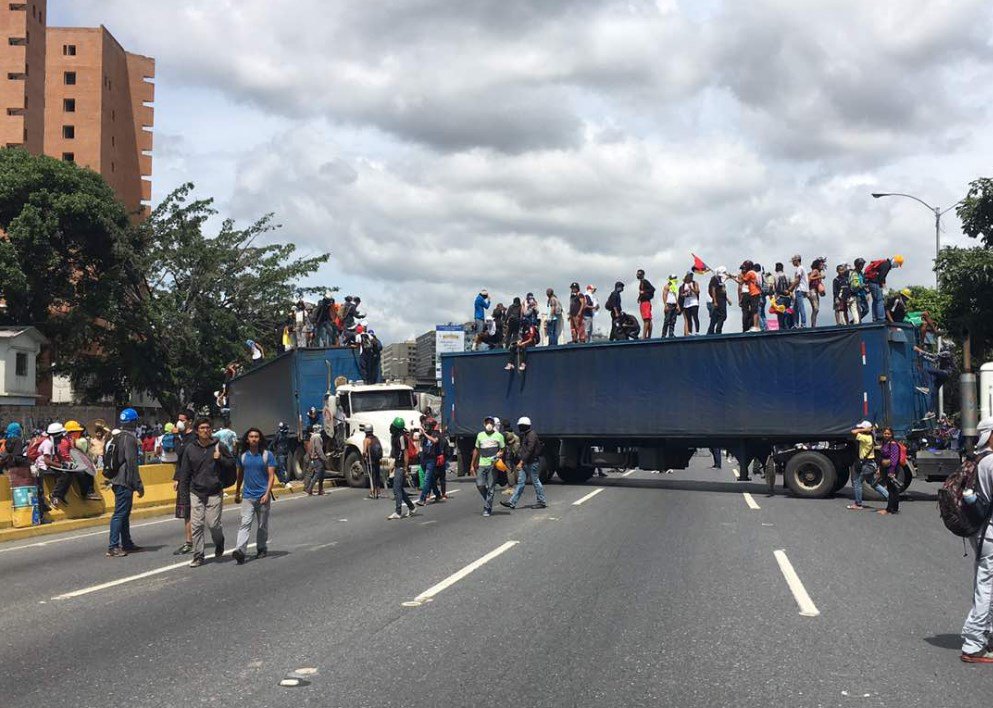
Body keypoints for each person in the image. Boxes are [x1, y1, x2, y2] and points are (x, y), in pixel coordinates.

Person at [176, 418, 234, 568]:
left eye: (208, 427)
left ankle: (219, 542)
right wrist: (184, 495)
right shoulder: (190, 448)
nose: (205, 430)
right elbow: (185, 473)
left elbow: (232, 464)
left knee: (213, 524)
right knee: (196, 525)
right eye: (202, 428)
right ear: (197, 431)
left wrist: (220, 458)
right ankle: (198, 555)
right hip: (196, 491)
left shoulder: (219, 446)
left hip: (214, 491)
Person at [960, 417, 993, 662]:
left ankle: (985, 634)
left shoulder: (977, 459)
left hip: (980, 530)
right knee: (987, 586)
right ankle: (973, 645)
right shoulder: (991, 462)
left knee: (987, 583)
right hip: (990, 532)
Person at [106, 408, 144, 557]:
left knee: (124, 513)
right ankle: (113, 545)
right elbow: (132, 463)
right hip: (124, 481)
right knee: (120, 514)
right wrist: (138, 484)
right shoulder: (129, 439)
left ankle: (127, 543)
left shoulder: (117, 437)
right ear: (134, 422)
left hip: (116, 480)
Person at [233, 428, 275, 564]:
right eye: (251, 436)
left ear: (260, 439)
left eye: (256, 436)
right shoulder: (243, 456)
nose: (254, 439)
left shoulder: (267, 455)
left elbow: (271, 476)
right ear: (247, 439)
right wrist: (237, 491)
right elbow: (240, 475)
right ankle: (240, 550)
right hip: (248, 496)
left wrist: (267, 494)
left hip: (263, 496)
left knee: (262, 524)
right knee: (245, 523)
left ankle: (261, 547)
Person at [500, 417, 547, 510]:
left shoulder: (531, 435)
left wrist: (521, 462)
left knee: (535, 481)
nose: (519, 427)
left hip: (532, 463)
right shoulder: (526, 434)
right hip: (525, 463)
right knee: (521, 483)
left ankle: (541, 501)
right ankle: (512, 502)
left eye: (520, 426)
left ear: (523, 426)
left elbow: (529, 450)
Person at [470, 416, 505, 517]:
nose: (489, 424)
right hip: (482, 464)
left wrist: (500, 454)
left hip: (493, 465)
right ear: (484, 424)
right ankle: (488, 501)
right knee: (480, 485)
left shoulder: (499, 436)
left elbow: (502, 449)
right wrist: (472, 465)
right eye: (487, 422)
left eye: (491, 422)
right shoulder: (480, 435)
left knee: (491, 487)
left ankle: (487, 508)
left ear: (493, 425)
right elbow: (476, 450)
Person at [172, 411, 195, 555]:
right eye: (178, 419)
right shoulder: (183, 437)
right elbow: (180, 462)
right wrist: (177, 477)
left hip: (194, 479)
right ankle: (189, 541)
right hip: (183, 478)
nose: (179, 422)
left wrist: (175, 437)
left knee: (195, 512)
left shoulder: (192, 438)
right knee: (186, 511)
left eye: (182, 420)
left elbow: (180, 452)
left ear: (190, 422)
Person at [387, 417, 417, 520]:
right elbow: (394, 451)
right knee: (399, 488)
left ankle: (398, 512)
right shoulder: (394, 437)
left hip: (401, 465)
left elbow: (405, 453)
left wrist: (405, 468)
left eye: (394, 426)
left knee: (396, 489)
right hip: (396, 464)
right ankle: (412, 507)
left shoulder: (402, 438)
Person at [864, 255, 904, 322]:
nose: (896, 267)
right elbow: (881, 277)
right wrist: (883, 288)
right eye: (897, 265)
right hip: (875, 283)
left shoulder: (885, 263)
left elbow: (882, 277)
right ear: (895, 262)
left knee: (876, 301)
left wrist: (885, 287)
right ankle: (881, 318)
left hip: (871, 282)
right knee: (880, 301)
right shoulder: (886, 265)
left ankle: (875, 318)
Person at [848, 420, 876, 511]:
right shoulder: (871, 436)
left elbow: (853, 432)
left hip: (866, 464)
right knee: (873, 483)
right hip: (870, 463)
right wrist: (868, 429)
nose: (859, 429)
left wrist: (863, 429)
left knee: (857, 482)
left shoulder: (865, 438)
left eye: (861, 427)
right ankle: (889, 496)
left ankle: (858, 504)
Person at [416, 418, 442, 506]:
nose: (426, 427)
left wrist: (425, 434)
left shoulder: (436, 434)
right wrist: (420, 433)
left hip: (431, 459)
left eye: (427, 426)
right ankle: (437, 494)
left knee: (427, 479)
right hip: (424, 458)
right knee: (430, 479)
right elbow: (416, 439)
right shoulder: (423, 435)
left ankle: (422, 499)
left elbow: (434, 441)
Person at [877, 427, 901, 516]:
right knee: (892, 488)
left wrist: (891, 472)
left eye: (888, 434)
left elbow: (894, 459)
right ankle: (894, 508)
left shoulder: (893, 444)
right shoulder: (885, 443)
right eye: (885, 433)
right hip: (886, 468)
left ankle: (889, 509)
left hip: (892, 468)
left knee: (892, 489)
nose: (886, 435)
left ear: (891, 435)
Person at [304, 424, 327, 495]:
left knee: (321, 475)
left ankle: (320, 490)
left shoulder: (312, 437)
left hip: (314, 458)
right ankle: (309, 489)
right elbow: (318, 449)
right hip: (318, 458)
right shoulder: (317, 437)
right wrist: (324, 458)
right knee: (317, 474)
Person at [363, 425, 384, 499]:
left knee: (372, 476)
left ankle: (373, 492)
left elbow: (364, 452)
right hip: (377, 459)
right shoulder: (376, 438)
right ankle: (378, 491)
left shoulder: (366, 440)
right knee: (377, 475)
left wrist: (364, 458)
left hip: (370, 461)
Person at [706, 267, 728, 335]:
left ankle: (712, 330)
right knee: (721, 315)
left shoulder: (721, 279)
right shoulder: (715, 279)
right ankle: (716, 330)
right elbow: (713, 290)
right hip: (718, 300)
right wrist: (715, 301)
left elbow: (722, 289)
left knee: (716, 316)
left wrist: (727, 299)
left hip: (723, 299)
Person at [636, 269, 655, 339]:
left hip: (646, 302)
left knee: (646, 319)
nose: (638, 275)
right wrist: (639, 298)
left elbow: (652, 289)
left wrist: (644, 292)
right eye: (637, 274)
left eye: (639, 274)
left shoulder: (645, 281)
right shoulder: (641, 282)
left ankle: (644, 336)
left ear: (643, 275)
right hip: (643, 302)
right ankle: (648, 336)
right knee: (648, 319)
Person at [790, 254, 808, 328]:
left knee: (800, 307)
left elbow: (797, 279)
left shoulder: (799, 268)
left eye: (793, 261)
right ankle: (795, 324)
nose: (792, 263)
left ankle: (803, 324)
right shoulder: (803, 268)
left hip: (799, 289)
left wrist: (790, 288)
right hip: (802, 289)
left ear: (797, 260)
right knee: (795, 308)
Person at [273, 421, 293, 488]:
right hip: (280, 453)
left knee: (285, 467)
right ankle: (285, 482)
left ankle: (283, 480)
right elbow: (273, 443)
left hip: (285, 453)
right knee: (282, 467)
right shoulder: (278, 434)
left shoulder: (286, 434)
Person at [849, 258, 869, 322]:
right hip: (856, 294)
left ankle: (855, 321)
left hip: (862, 294)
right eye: (862, 264)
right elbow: (854, 285)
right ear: (858, 265)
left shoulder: (861, 273)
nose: (863, 266)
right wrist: (863, 285)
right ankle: (857, 322)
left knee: (866, 310)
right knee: (858, 310)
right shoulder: (854, 273)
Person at [808, 258, 825, 328]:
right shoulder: (815, 271)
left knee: (815, 309)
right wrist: (820, 276)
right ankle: (813, 325)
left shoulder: (818, 272)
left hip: (815, 291)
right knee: (816, 308)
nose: (822, 266)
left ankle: (813, 324)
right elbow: (810, 278)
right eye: (820, 265)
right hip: (812, 291)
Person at [661, 274, 680, 338]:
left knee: (673, 320)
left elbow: (675, 296)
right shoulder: (667, 286)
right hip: (669, 304)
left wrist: (677, 305)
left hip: (674, 304)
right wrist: (665, 305)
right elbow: (664, 295)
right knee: (667, 320)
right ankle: (663, 335)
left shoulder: (674, 286)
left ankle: (671, 334)